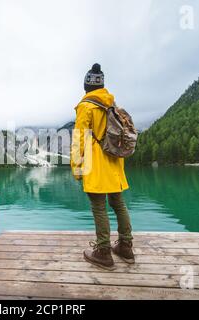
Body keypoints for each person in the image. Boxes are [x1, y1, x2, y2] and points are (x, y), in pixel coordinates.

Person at [70, 63, 135, 270]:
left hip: (95, 163)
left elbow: (79, 139)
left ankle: (104, 252)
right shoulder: (112, 104)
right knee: (118, 204)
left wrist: (77, 168)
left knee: (99, 207)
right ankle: (126, 246)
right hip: (115, 162)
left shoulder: (86, 106)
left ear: (86, 86)